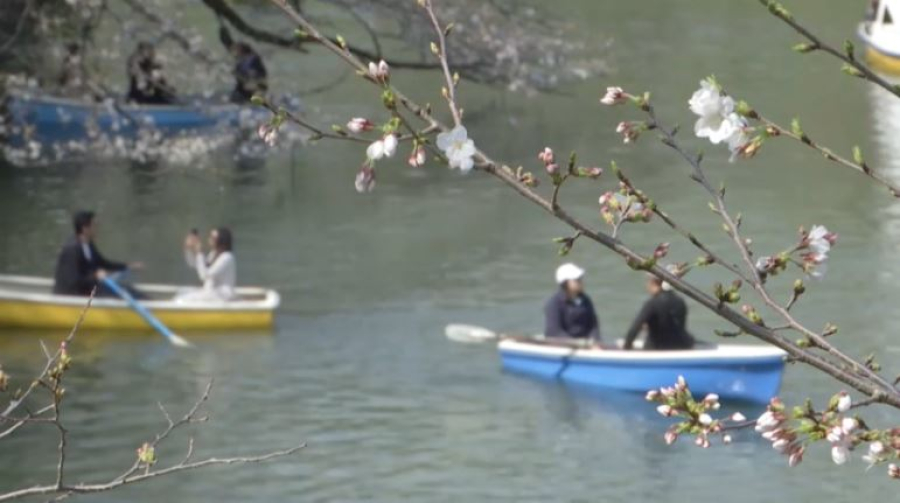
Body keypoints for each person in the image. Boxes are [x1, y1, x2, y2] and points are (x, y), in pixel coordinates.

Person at [53, 211, 143, 297]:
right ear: (85, 229)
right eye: (95, 225)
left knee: (129, 290)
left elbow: (103, 263)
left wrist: (127, 266)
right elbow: (73, 282)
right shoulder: (71, 250)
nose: (98, 228)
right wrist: (95, 277)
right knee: (118, 294)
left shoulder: (88, 244)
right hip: (72, 295)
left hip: (86, 289)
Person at [623, 274, 695, 350]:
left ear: (652, 282)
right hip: (683, 347)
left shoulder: (653, 303)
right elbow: (675, 325)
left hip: (658, 349)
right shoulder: (680, 301)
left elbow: (635, 328)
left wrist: (626, 347)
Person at [177, 227, 236, 303]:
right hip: (212, 293)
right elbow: (194, 264)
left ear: (221, 240)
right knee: (181, 292)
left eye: (213, 237)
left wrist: (199, 253)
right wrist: (188, 249)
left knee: (181, 300)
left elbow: (204, 275)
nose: (209, 238)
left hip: (222, 296)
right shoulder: (213, 254)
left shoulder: (227, 257)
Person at [543, 263, 600, 341]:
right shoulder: (554, 304)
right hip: (562, 345)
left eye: (580, 279)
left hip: (585, 345)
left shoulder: (586, 300)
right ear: (565, 283)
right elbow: (554, 332)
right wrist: (577, 343)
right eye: (577, 280)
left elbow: (593, 326)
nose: (581, 282)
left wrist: (595, 341)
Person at [219, 26, 268, 103]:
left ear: (241, 51)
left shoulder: (251, 59)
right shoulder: (245, 57)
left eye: (236, 50)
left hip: (250, 91)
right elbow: (229, 45)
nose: (233, 53)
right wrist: (223, 33)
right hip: (246, 89)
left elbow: (251, 74)